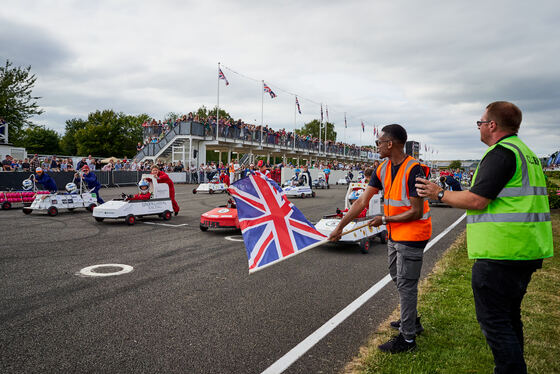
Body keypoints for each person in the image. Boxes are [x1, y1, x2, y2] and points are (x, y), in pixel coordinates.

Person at [416, 101, 553, 373]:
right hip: (524, 249)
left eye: (480, 122)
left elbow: (476, 200)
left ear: (492, 125)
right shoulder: (527, 153)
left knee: (496, 323)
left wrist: (438, 193)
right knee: (510, 318)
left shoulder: (501, 153)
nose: (478, 127)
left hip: (500, 253)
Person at [329, 124, 431, 353]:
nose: (377, 147)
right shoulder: (382, 168)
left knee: (406, 285)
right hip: (396, 232)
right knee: (396, 275)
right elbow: (361, 202)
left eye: (379, 142)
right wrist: (340, 227)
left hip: (413, 234)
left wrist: (384, 220)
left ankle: (407, 339)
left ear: (390, 143)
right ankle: (412, 321)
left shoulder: (415, 169)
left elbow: (415, 211)